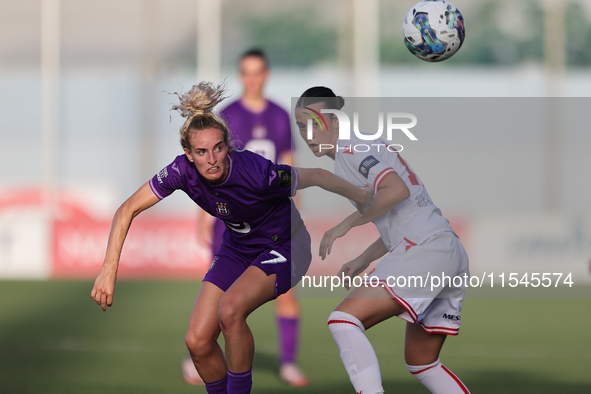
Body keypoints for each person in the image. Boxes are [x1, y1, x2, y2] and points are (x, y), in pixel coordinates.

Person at [90, 81, 372, 394]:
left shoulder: (258, 172)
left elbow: (318, 175)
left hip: (287, 246)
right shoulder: (180, 171)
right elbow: (127, 209)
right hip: (237, 249)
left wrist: (363, 196)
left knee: (230, 310)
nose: (212, 159)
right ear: (188, 154)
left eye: (218, 148)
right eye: (201, 152)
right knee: (197, 341)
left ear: (228, 145)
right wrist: (108, 269)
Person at [294, 87, 471, 394]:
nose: (308, 133)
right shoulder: (358, 147)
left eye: (315, 123)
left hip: (425, 249)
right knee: (423, 363)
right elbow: (398, 214)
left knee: (343, 321)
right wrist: (364, 258)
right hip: (444, 248)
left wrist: (345, 225)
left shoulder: (352, 150)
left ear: (335, 122)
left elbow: (396, 190)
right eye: (301, 125)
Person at [183, 48, 309, 387]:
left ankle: (288, 363)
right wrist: (202, 219)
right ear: (241, 76)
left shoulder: (280, 116)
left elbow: (288, 165)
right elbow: (207, 174)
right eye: (246, 72)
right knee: (216, 294)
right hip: (231, 224)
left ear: (265, 75)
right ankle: (198, 351)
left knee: (284, 295)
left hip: (272, 222)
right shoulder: (229, 115)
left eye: (258, 72)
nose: (252, 78)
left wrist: (297, 211)